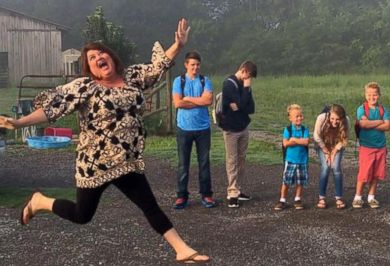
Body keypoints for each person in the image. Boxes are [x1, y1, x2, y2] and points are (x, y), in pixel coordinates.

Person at [0, 19, 210, 263]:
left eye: (101, 53)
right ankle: (39, 202)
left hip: (125, 160)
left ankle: (181, 249)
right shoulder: (86, 88)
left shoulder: (131, 77)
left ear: (111, 57)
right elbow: (51, 109)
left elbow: (158, 66)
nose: (98, 57)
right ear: (91, 69)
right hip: (95, 164)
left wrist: (177, 45)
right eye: (91, 58)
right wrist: (18, 122)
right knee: (82, 215)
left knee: (149, 205)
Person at [172, 51, 217, 209]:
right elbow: (178, 103)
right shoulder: (179, 81)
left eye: (197, 64)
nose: (195, 67)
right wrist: (200, 101)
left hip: (203, 128)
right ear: (186, 65)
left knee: (204, 163)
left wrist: (189, 99)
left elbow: (209, 100)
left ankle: (206, 194)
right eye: (192, 65)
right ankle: (181, 196)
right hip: (184, 128)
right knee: (183, 164)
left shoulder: (205, 81)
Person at [220, 60, 257, 208]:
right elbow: (241, 104)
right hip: (230, 129)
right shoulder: (229, 84)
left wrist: (241, 103)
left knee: (241, 160)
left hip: (243, 127)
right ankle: (232, 193)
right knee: (232, 160)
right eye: (249, 77)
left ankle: (238, 188)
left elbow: (250, 107)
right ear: (244, 71)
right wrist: (246, 91)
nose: (250, 80)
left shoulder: (244, 85)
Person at [353, 82, 390, 209]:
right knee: (364, 173)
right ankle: (358, 197)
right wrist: (380, 121)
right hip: (366, 146)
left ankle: (371, 197)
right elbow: (363, 124)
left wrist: (371, 123)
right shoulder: (361, 109)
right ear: (365, 95)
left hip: (380, 147)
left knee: (376, 173)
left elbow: (387, 126)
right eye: (369, 94)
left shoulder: (383, 110)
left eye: (374, 94)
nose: (371, 97)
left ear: (379, 95)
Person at [274, 104, 310, 211]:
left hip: (302, 160)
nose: (299, 118)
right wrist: (297, 141)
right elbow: (285, 143)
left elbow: (306, 141)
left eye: (300, 116)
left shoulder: (305, 129)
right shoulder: (288, 129)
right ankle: (282, 199)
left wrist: (294, 140)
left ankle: (297, 199)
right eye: (296, 116)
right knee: (286, 180)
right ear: (290, 118)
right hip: (290, 160)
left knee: (300, 181)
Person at [313, 104, 348, 209]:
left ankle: (339, 197)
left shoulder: (346, 120)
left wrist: (334, 151)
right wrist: (326, 151)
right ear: (329, 115)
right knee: (326, 166)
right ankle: (321, 197)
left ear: (341, 118)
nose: (334, 122)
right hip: (322, 144)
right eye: (332, 118)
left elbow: (345, 139)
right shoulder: (321, 118)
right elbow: (316, 136)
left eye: (337, 119)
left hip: (337, 144)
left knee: (336, 167)